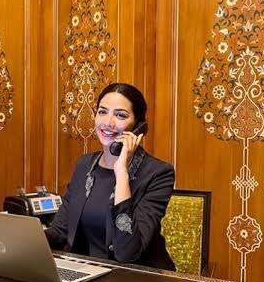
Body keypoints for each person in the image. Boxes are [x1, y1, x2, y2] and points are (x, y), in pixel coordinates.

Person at [46, 82, 175, 270]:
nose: (108, 123)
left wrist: (121, 171)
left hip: (137, 278)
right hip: (87, 273)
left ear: (139, 126)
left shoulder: (158, 173)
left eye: (120, 115)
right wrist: (28, 238)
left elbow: (127, 253)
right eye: (102, 112)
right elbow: (60, 231)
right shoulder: (84, 165)